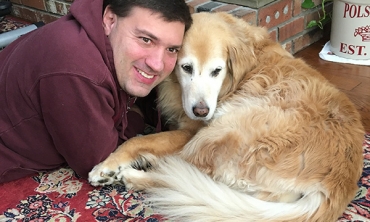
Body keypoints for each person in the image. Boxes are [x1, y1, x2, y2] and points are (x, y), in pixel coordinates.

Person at [0, 0, 192, 184]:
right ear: (110, 20)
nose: (157, 64)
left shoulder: (103, 38)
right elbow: (96, 160)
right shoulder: (78, 68)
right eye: (146, 39)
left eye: (172, 49)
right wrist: (136, 118)